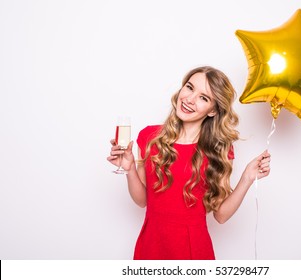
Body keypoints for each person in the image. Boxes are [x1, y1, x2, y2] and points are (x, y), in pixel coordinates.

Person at [107, 66, 271, 260]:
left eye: (204, 98)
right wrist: (130, 169)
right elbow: (142, 201)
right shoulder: (149, 137)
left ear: (213, 111)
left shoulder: (218, 150)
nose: (190, 99)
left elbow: (221, 215)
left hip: (194, 250)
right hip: (151, 246)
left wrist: (247, 178)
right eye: (190, 87)